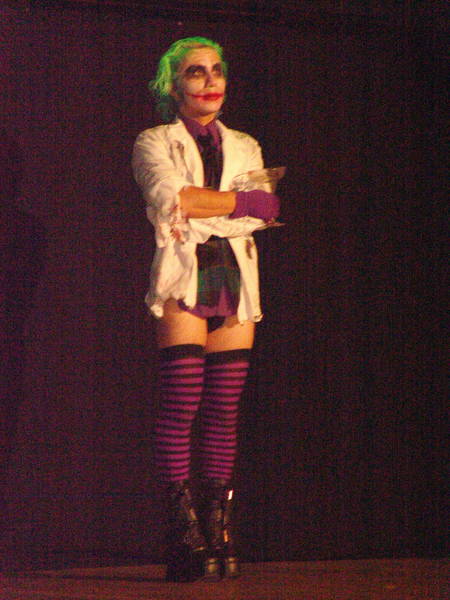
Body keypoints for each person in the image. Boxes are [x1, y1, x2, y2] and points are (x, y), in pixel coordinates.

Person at [132, 37, 280, 582]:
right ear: (173, 85)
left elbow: (266, 213)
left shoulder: (244, 144)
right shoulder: (155, 140)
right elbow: (174, 200)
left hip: (233, 277)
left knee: (224, 409)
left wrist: (216, 208)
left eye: (217, 70)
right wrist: (238, 204)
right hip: (185, 274)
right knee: (183, 403)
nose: (210, 80)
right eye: (196, 72)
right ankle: (182, 531)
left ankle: (219, 529)